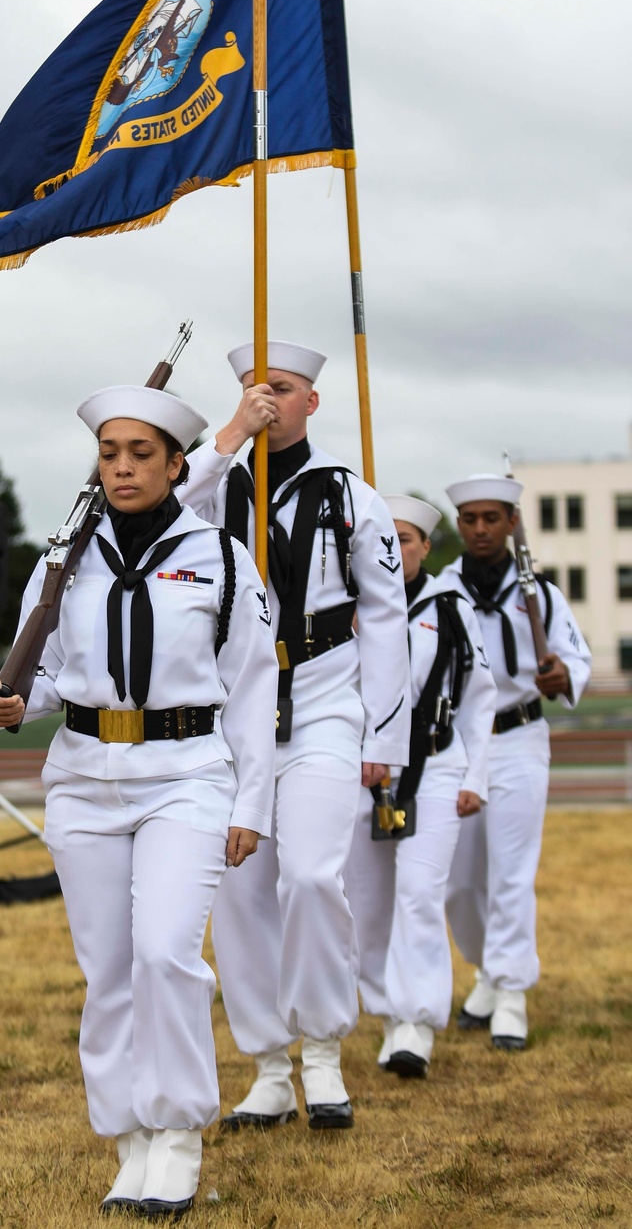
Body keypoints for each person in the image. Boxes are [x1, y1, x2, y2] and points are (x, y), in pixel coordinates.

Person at [0, 385, 278, 1219]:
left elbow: (255, 686)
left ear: (179, 465)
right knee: (108, 970)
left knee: (163, 956)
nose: (121, 467)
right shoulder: (64, 559)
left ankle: (179, 1133)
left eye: (140, 453)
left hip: (186, 775)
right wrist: (8, 702)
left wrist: (252, 801)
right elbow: (41, 675)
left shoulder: (220, 558)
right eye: (109, 454)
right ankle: (129, 1138)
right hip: (82, 778)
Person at [178, 341, 411, 1128]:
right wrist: (229, 436)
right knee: (240, 895)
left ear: (312, 401)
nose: (266, 398)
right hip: (237, 705)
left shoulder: (349, 493)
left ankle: (322, 1051)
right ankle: (270, 1065)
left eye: (280, 388)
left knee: (311, 876)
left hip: (322, 698)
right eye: (252, 388)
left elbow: (384, 614)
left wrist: (385, 732)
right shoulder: (219, 485)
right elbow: (167, 514)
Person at [344, 495, 496, 1078]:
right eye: (386, 538)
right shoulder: (347, 605)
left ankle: (418, 1021)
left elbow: (480, 696)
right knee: (367, 902)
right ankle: (386, 1012)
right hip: (364, 773)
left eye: (406, 539)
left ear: (426, 547)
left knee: (419, 893)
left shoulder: (450, 605)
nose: (396, 549)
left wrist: (476, 774)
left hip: (434, 766)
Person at [440, 474, 591, 1050]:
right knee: (458, 881)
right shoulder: (440, 591)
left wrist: (562, 674)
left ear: (511, 524)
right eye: (471, 519)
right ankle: (484, 967)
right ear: (460, 525)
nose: (481, 529)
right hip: (457, 743)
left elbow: (575, 657)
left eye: (492, 519)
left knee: (511, 869)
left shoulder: (541, 595)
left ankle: (510, 993)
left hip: (520, 737)